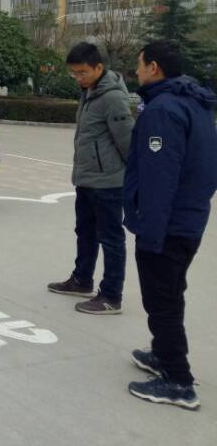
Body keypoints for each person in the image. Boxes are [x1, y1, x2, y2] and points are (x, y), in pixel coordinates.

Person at [123, 41, 217, 409]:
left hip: (167, 225)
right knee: (170, 293)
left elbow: (160, 178)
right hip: (188, 219)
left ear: (154, 67)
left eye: (139, 64)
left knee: (161, 300)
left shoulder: (163, 109)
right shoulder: (195, 103)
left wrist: (151, 232)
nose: (136, 71)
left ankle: (179, 381)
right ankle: (162, 353)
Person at [47, 42, 133, 315]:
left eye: (82, 72)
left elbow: (127, 142)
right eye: (74, 73)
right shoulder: (89, 92)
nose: (78, 77)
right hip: (86, 178)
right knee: (85, 232)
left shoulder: (112, 97)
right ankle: (82, 280)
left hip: (108, 182)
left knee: (111, 238)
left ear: (99, 67)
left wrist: (133, 178)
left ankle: (111, 296)